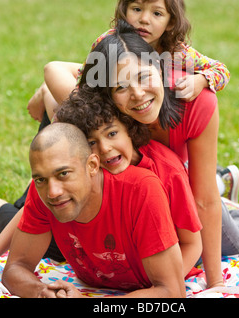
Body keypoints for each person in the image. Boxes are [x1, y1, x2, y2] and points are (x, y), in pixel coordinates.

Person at [75, 20, 239, 289]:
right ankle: (218, 178)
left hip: (186, 190)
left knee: (234, 244)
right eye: (121, 87)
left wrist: (215, 283)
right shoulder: (102, 111)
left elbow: (203, 200)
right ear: (108, 94)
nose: (137, 94)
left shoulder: (195, 101)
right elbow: (56, 71)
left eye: (143, 77)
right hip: (155, 192)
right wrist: (45, 94)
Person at [2, 123, 186, 298]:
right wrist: (43, 292)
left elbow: (172, 291)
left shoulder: (141, 189)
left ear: (92, 165)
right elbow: (15, 268)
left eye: (63, 174)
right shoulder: (42, 190)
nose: (53, 192)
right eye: (41, 179)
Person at [28, 0, 230, 123]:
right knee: (70, 118)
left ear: (171, 22)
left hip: (140, 112)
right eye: (137, 9)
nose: (144, 19)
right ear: (124, 10)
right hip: (107, 107)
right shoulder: (108, 42)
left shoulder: (176, 51)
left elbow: (221, 70)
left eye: (157, 13)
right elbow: (83, 85)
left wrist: (201, 81)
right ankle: (48, 95)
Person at [55, 85, 202, 278]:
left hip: (186, 235)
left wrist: (162, 286)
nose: (105, 148)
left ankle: (236, 204)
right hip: (127, 251)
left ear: (129, 128)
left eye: (112, 133)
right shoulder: (91, 169)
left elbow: (192, 244)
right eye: (91, 143)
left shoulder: (167, 171)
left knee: (236, 239)